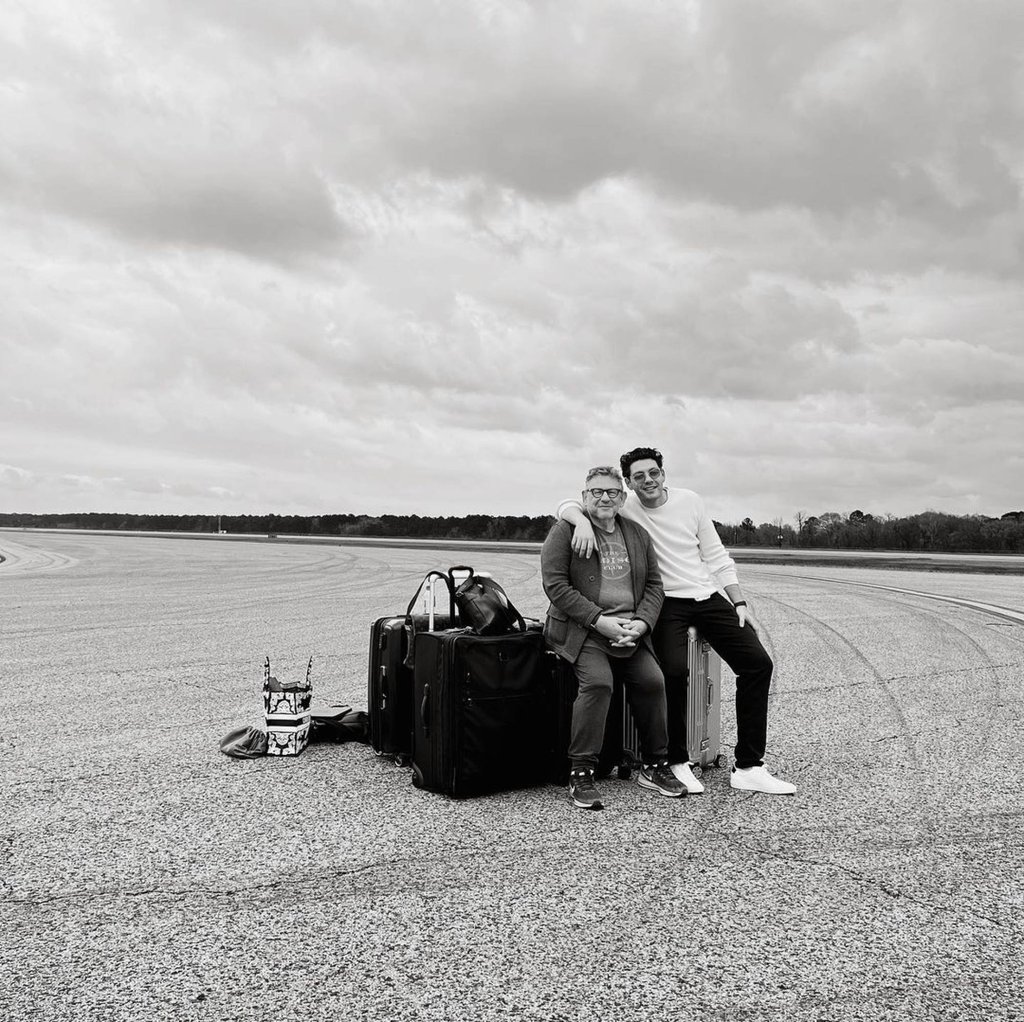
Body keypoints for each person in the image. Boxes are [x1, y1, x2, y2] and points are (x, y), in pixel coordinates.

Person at [557, 447, 796, 796]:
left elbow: (715, 554)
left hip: (706, 594)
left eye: (653, 473)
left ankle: (748, 766)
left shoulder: (690, 501)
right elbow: (571, 503)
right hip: (667, 601)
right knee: (671, 672)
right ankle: (676, 761)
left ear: (663, 474)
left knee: (758, 664)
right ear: (629, 484)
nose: (648, 481)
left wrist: (738, 600)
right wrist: (578, 520)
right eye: (638, 477)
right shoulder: (627, 506)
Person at [542, 465, 685, 810]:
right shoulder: (566, 532)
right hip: (584, 630)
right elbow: (555, 587)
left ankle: (654, 765)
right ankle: (581, 772)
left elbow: (654, 585)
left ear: (622, 498)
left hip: (629, 630)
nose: (604, 497)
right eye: (596, 492)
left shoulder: (636, 534)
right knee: (599, 684)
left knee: (653, 681)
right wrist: (599, 621)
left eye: (612, 492)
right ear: (584, 496)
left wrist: (641, 624)